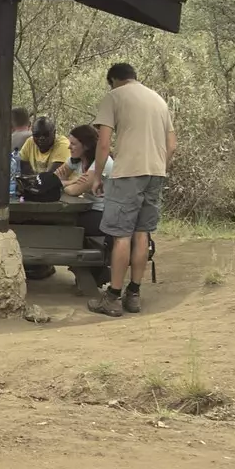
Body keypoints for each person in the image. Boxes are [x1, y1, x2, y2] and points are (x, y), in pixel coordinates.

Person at [88, 62, 175, 318]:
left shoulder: (114, 97)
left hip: (128, 173)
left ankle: (113, 296)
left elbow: (103, 144)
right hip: (155, 173)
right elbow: (172, 144)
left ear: (113, 80)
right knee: (142, 233)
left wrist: (96, 176)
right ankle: (134, 294)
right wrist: (159, 166)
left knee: (121, 236)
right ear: (134, 77)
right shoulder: (159, 100)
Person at [63, 123, 113, 241]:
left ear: (86, 146)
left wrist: (68, 183)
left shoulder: (101, 163)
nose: (69, 147)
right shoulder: (76, 160)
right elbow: (52, 179)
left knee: (63, 222)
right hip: (88, 209)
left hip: (103, 214)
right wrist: (72, 182)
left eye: (73, 144)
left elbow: (75, 190)